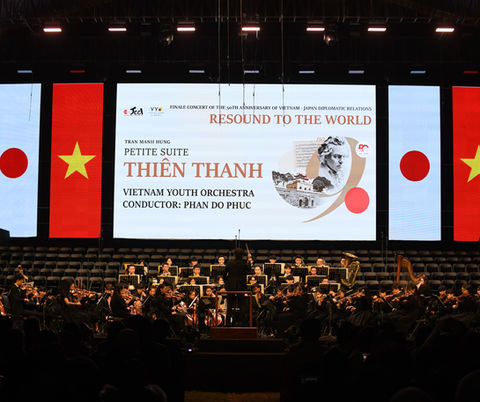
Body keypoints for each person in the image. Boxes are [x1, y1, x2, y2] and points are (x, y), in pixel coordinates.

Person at [224, 248, 250, 326]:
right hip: (241, 286)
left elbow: (224, 275)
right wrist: (249, 261)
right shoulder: (243, 263)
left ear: (234, 255)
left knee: (229, 305)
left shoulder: (229, 263)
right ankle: (242, 323)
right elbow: (249, 270)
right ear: (242, 255)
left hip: (230, 286)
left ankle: (228, 323)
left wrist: (227, 282)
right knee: (241, 305)